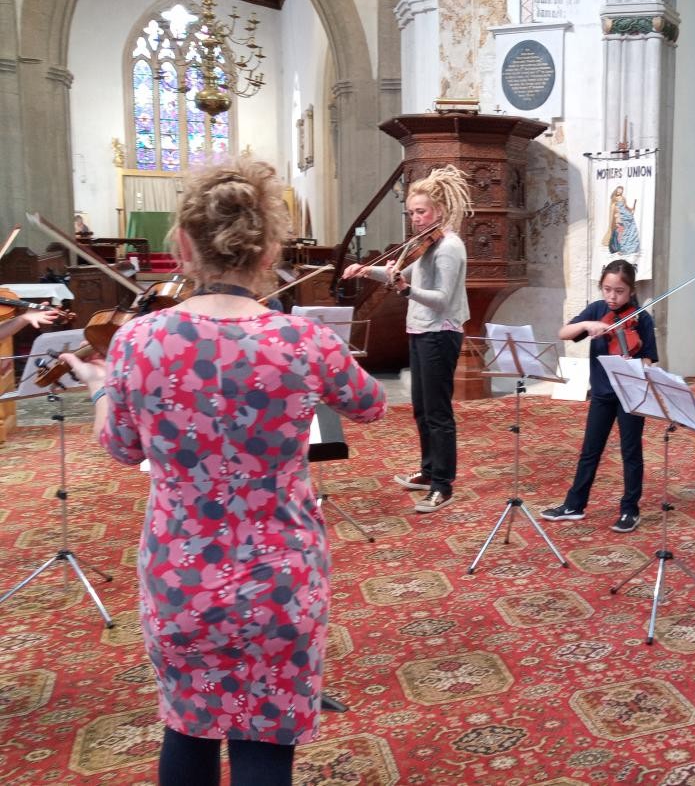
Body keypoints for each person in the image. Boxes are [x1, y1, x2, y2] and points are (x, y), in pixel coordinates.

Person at [61, 156, 387, 786]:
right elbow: (371, 405)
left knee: (188, 728)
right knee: (265, 742)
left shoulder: (137, 341)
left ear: (183, 245)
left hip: (180, 576)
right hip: (282, 577)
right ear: (269, 252)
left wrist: (102, 388)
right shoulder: (305, 341)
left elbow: (122, 448)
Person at [343, 165, 473, 512]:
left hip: (440, 333)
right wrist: (365, 270)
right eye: (412, 212)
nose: (415, 219)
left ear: (439, 210)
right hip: (420, 330)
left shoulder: (449, 247)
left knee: (438, 412)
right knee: (421, 408)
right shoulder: (427, 245)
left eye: (421, 211)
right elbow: (399, 273)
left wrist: (406, 290)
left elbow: (441, 299)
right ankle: (429, 472)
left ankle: (443, 484)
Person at [540, 259, 658, 532]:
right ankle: (574, 505)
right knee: (590, 450)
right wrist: (588, 324)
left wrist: (636, 364)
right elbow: (564, 332)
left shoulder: (642, 318)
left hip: (630, 395)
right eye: (607, 289)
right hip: (602, 393)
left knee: (631, 452)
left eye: (619, 291)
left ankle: (630, 509)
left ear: (631, 291)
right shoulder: (597, 310)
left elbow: (649, 359)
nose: (612, 297)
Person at [603, 185, 640, 255]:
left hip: (626, 214)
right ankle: (621, 248)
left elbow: (626, 206)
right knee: (621, 231)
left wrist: (631, 209)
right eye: (618, 190)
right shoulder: (614, 198)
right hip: (620, 215)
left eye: (621, 190)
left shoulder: (623, 198)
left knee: (629, 230)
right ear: (616, 190)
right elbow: (613, 208)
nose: (619, 191)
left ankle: (629, 248)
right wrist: (616, 215)